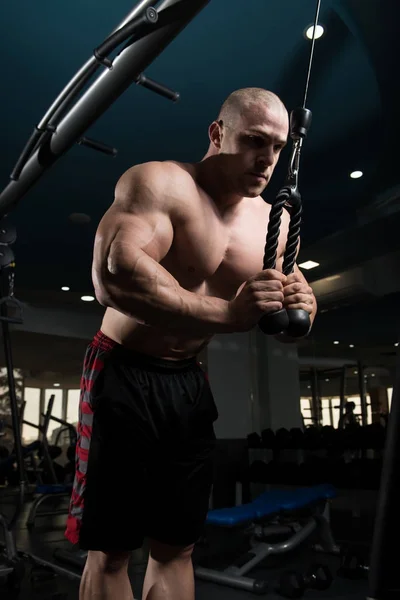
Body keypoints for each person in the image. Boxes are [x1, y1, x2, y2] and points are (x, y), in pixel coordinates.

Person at [65, 87, 317, 600]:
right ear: (217, 133)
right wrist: (226, 313)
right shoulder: (160, 184)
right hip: (123, 374)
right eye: (254, 140)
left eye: (278, 145)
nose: (268, 158)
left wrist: (304, 307)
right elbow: (115, 277)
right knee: (111, 550)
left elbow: (287, 307)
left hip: (187, 384)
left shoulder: (274, 221)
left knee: (177, 546)